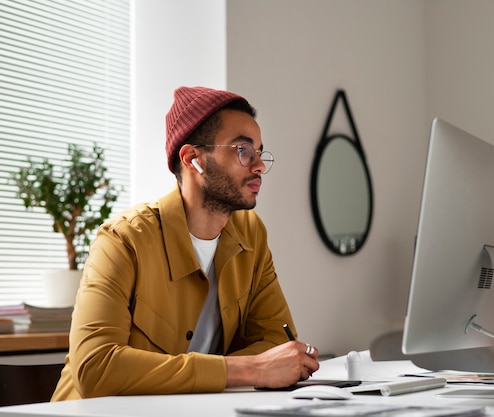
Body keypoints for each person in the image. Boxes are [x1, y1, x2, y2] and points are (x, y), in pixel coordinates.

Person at [51, 86, 319, 400]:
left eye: (260, 152)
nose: (259, 165)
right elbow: (95, 369)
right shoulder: (123, 240)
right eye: (243, 151)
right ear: (193, 159)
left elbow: (275, 340)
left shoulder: (251, 234)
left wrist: (253, 366)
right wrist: (248, 369)